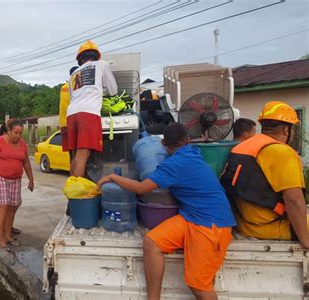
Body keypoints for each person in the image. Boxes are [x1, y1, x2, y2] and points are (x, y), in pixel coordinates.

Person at [98, 123, 235, 300]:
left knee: (199, 285)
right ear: (186, 139)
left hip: (211, 224)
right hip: (191, 216)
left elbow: (141, 188)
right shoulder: (192, 152)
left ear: (164, 144)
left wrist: (113, 176)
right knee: (151, 242)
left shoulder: (174, 165)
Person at [221, 101, 308, 248]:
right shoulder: (282, 152)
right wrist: (306, 241)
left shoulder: (243, 146)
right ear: (287, 130)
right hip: (270, 227)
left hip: (244, 224)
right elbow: (294, 200)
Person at [0, 120, 34, 252]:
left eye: (20, 133)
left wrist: (31, 179)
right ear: (9, 131)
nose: (18, 136)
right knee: (3, 205)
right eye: (15, 133)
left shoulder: (23, 144)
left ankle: (8, 235)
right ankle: (1, 238)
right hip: (0, 177)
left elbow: (26, 163)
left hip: (16, 179)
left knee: (13, 206)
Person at [67, 40, 117, 177]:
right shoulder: (101, 64)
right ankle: (77, 194)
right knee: (83, 155)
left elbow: (73, 95)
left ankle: (71, 189)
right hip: (88, 113)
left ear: (80, 59)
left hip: (71, 114)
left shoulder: (74, 73)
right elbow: (113, 90)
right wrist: (101, 90)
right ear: (96, 56)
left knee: (76, 155)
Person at [59, 66, 79, 153]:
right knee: (78, 152)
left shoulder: (64, 87)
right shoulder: (74, 87)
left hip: (64, 124)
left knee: (72, 154)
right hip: (72, 124)